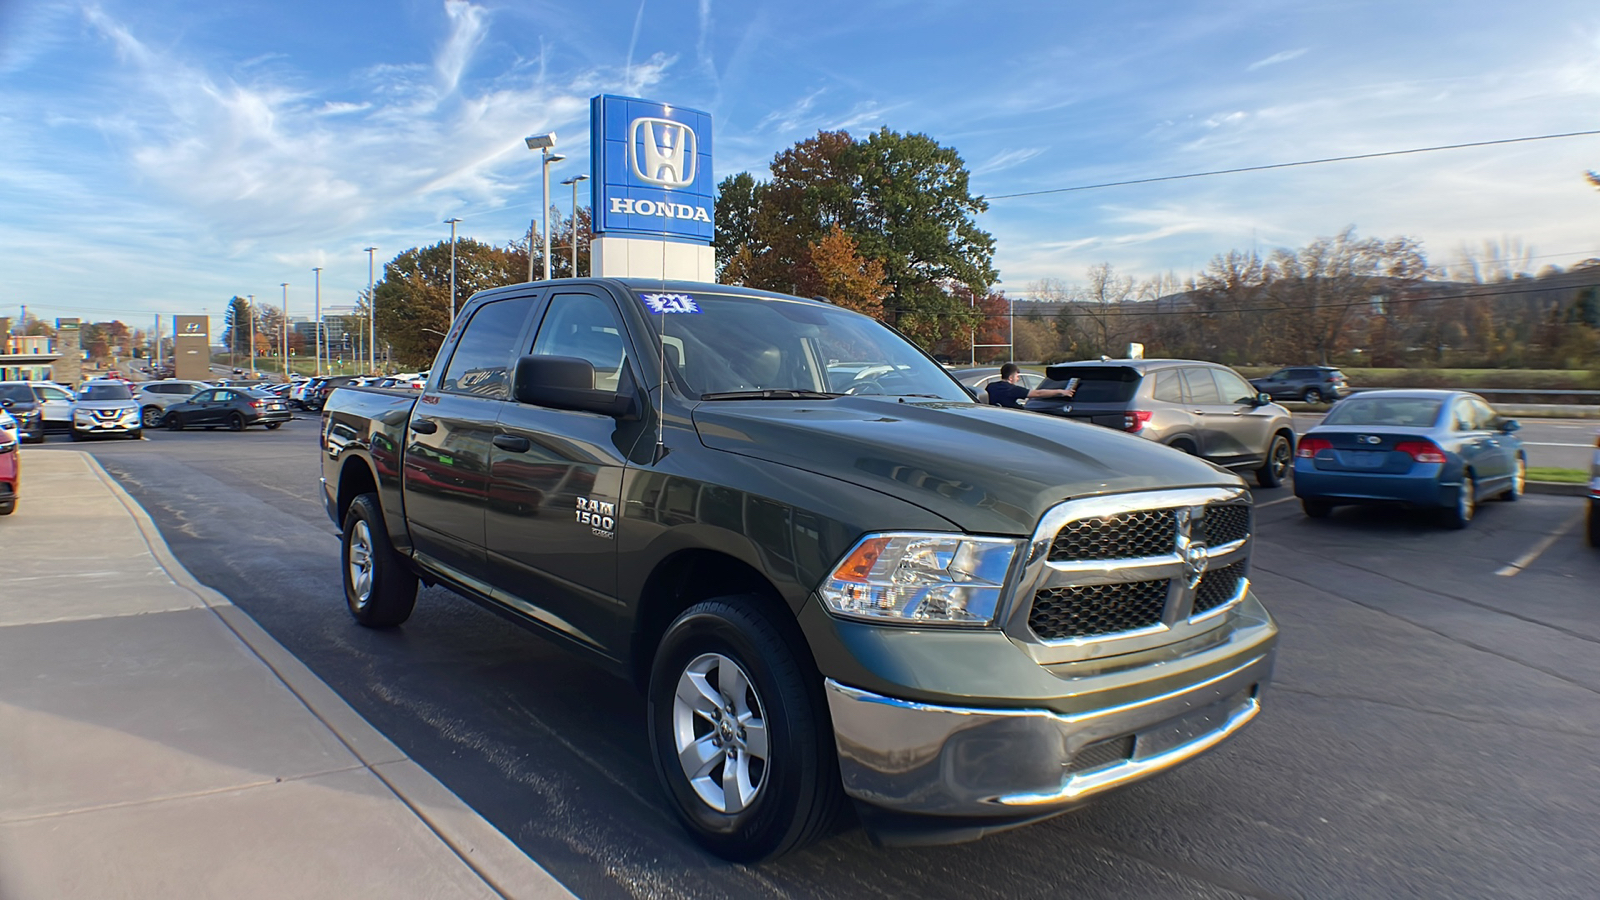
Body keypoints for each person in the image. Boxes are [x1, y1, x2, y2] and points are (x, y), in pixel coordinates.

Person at [985, 362, 1076, 409]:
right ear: (1010, 378)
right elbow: (1038, 394)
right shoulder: (1012, 390)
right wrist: (1061, 391)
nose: (1018, 379)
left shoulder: (991, 386)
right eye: (1017, 376)